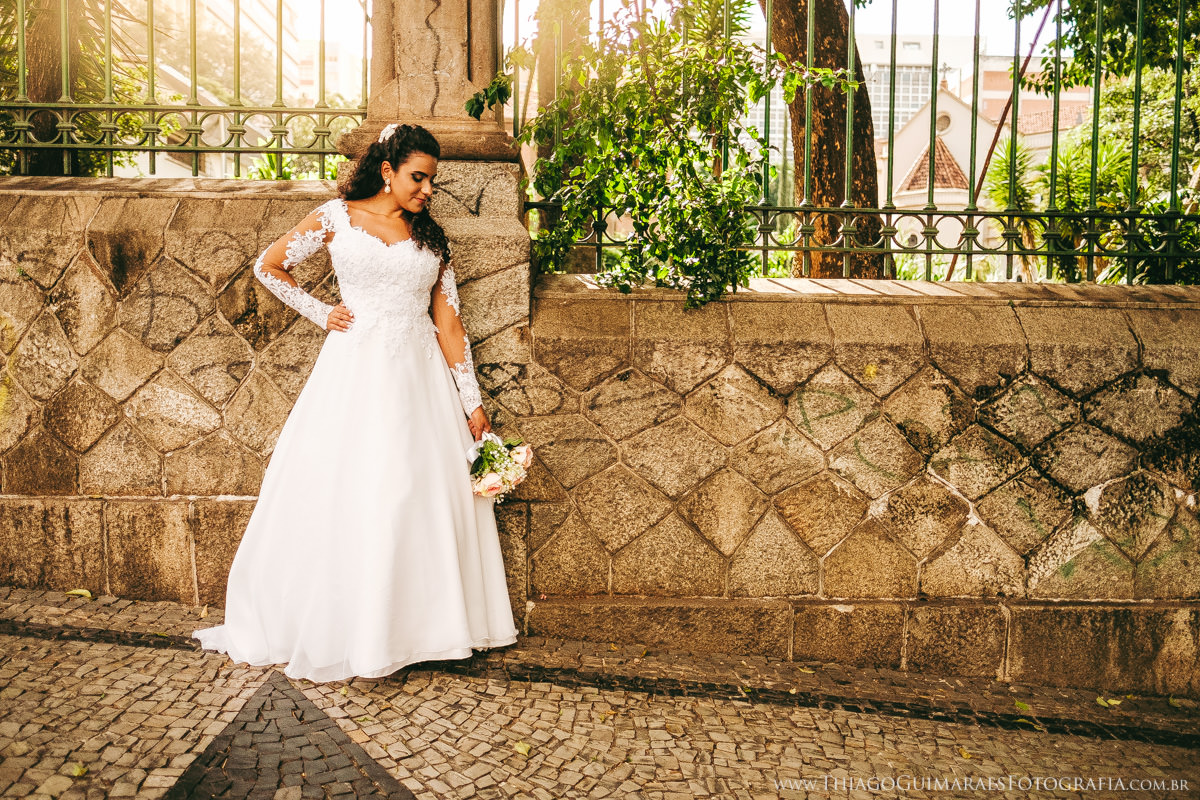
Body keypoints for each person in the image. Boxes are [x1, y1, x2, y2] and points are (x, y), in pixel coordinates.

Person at [193, 123, 519, 682]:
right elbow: (267, 266)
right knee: (357, 490)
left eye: (432, 181)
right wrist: (324, 314)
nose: (427, 190)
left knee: (415, 494)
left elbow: (449, 323)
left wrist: (471, 402)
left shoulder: (432, 240)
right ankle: (356, 629)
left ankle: (425, 628)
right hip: (355, 372)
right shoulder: (336, 217)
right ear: (387, 171)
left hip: (421, 378)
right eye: (418, 177)